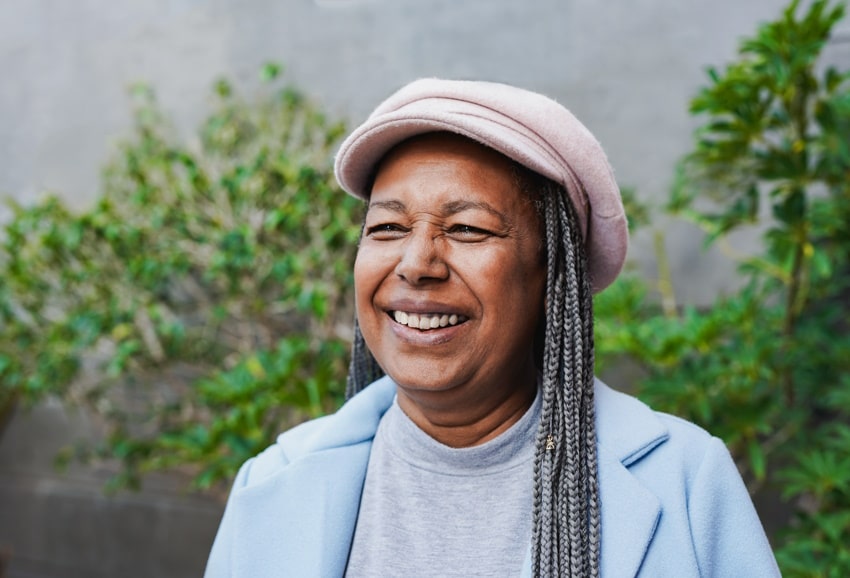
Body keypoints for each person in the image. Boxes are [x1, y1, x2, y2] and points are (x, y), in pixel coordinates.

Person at [204, 79, 780, 577]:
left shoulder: (685, 482)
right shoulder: (273, 482)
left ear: (551, 274)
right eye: (386, 227)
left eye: (468, 229)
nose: (416, 263)